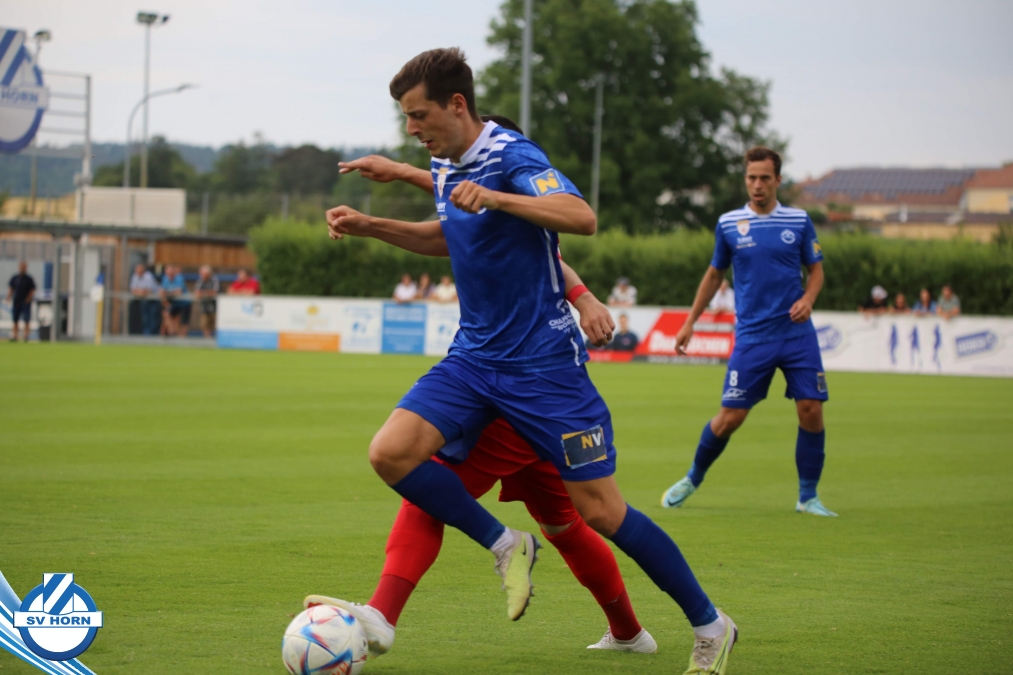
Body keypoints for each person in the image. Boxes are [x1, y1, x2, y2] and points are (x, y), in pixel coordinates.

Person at [323, 49, 736, 673]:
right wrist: (370, 225)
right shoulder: (445, 161)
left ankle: (710, 623)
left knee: (600, 512)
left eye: (418, 114)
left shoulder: (513, 156)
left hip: (544, 369)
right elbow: (448, 235)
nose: (411, 128)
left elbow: (581, 217)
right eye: (406, 117)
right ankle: (502, 545)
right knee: (391, 452)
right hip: (473, 359)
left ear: (456, 105)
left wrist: (498, 199)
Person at [662, 146, 836, 518]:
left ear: (778, 180)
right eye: (751, 178)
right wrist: (690, 321)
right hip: (753, 337)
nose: (757, 185)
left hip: (797, 334)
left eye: (764, 178)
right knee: (730, 418)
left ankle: (808, 497)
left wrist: (808, 299)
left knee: (811, 409)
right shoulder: (729, 224)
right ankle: (692, 478)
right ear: (746, 179)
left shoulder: (799, 220)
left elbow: (816, 271)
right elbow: (714, 275)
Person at [6, 261, 36, 342]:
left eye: (24, 267)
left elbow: (32, 289)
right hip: (16, 301)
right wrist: (8, 297)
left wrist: (28, 299)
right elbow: (11, 288)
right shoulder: (15, 278)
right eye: (21, 267)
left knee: (26, 319)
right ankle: (15, 335)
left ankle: (26, 335)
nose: (22, 269)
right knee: (15, 319)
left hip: (25, 302)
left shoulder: (29, 279)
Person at [129, 263, 161, 335]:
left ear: (143, 270)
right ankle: (146, 335)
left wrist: (141, 291)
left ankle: (152, 336)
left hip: (154, 300)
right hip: (144, 301)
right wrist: (141, 292)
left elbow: (149, 290)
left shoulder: (148, 276)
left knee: (153, 319)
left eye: (138, 270)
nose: (137, 272)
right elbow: (133, 290)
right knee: (145, 319)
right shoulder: (135, 276)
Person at [160, 265, 190, 337]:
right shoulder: (165, 279)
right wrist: (165, 302)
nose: (169, 275)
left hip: (184, 303)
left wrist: (167, 293)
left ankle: (182, 337)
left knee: (183, 322)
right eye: (168, 273)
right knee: (166, 314)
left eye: (171, 273)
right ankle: (173, 332)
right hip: (174, 303)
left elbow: (179, 292)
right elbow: (161, 292)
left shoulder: (179, 278)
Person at [194, 265, 220, 337]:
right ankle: (207, 339)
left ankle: (216, 339)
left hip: (215, 307)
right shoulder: (200, 281)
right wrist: (207, 293)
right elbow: (196, 293)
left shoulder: (214, 280)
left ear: (208, 274)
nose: (201, 275)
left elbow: (214, 292)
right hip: (204, 307)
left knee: (216, 324)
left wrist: (203, 293)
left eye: (203, 274)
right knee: (204, 325)